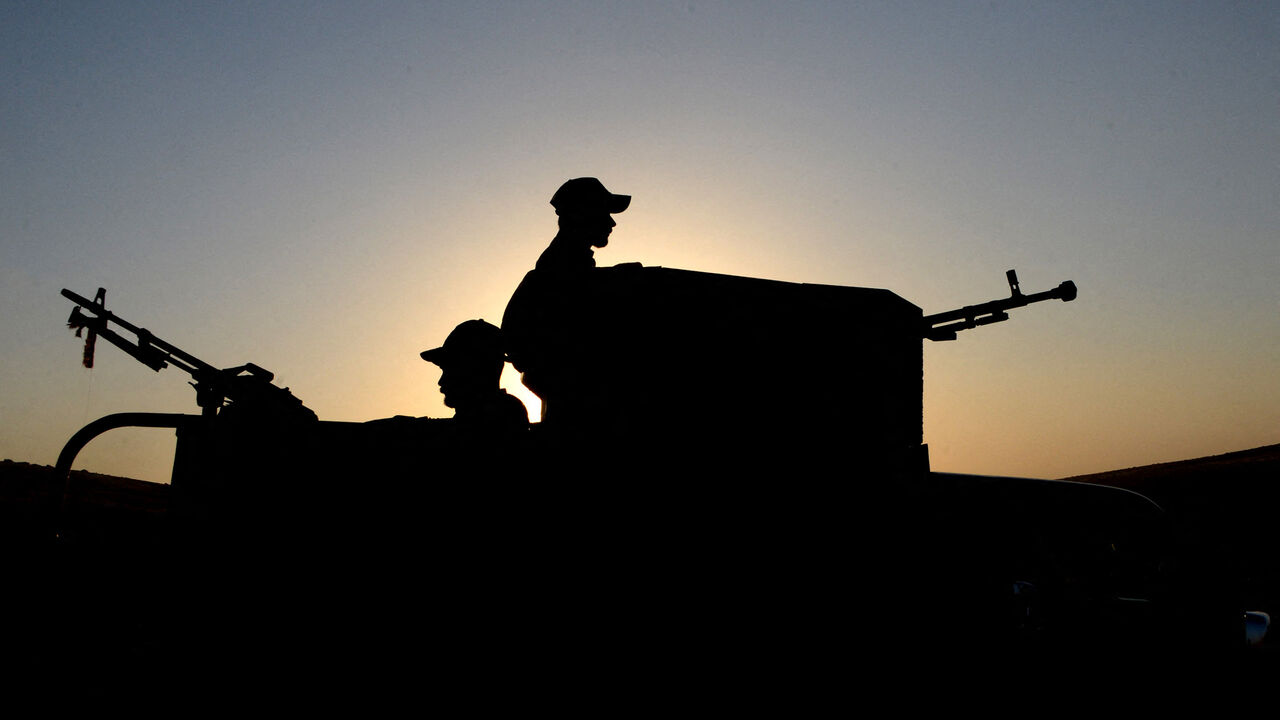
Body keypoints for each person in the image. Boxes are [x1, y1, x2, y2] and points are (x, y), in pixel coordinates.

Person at [419, 319, 529, 437]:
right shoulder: (483, 414)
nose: (441, 381)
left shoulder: (504, 415)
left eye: (451, 369)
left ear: (479, 368)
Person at [534, 177, 631, 274]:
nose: (612, 223)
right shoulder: (557, 267)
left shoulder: (562, 260)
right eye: (602, 213)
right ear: (578, 216)